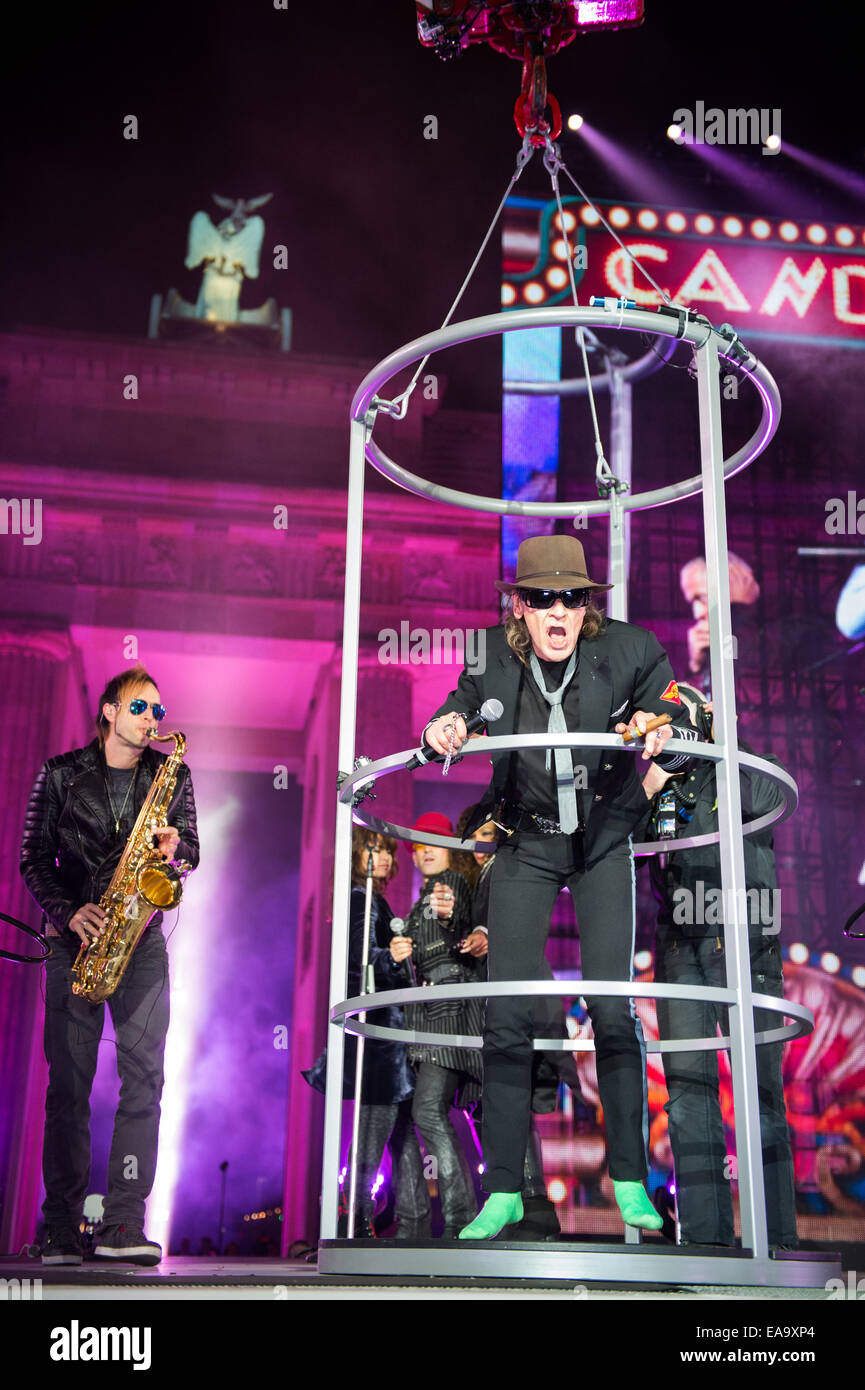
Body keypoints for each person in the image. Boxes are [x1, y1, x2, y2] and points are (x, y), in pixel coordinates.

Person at [421, 534, 696, 1239]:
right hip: (527, 838)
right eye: (540, 597)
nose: (556, 612)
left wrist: (659, 723)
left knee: (611, 1009)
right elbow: (452, 709)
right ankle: (505, 1188)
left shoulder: (630, 649)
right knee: (507, 1012)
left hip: (604, 835)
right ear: (518, 605)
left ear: (585, 607)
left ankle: (632, 1181)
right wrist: (445, 726)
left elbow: (683, 710)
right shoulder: (489, 654)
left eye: (569, 598)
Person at [20, 663, 199, 1266]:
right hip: (76, 941)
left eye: (158, 710)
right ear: (108, 712)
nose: (153, 718)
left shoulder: (172, 775)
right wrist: (69, 913)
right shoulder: (60, 774)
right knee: (68, 1088)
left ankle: (124, 1221)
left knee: (143, 1082)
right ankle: (61, 1226)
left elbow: (191, 851)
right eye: (141, 707)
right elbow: (32, 859)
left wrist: (174, 853)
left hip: (141, 941)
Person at [642, 682, 798, 1249]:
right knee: (686, 1093)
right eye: (662, 724)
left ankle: (776, 1240)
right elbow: (620, 848)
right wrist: (646, 791)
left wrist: (721, 733)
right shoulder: (663, 782)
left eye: (678, 720)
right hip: (679, 944)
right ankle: (706, 1240)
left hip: (745, 940)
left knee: (760, 1093)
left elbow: (765, 796)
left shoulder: (742, 762)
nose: (668, 732)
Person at [303, 826, 430, 1238]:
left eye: (388, 852)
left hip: (387, 1032)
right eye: (373, 850)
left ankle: (402, 1222)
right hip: (380, 1036)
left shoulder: (368, 899)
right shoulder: (362, 899)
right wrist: (391, 957)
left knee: (400, 1131)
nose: (384, 858)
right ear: (357, 857)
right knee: (377, 1131)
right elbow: (360, 957)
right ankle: (354, 1220)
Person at [398, 812, 485, 1237]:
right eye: (419, 844)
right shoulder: (420, 901)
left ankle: (459, 1218)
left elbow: (458, 914)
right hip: (427, 1016)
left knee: (428, 1110)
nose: (427, 850)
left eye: (434, 841)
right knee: (436, 1113)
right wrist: (401, 949)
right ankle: (453, 1218)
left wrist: (449, 915)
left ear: (451, 848)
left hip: (448, 1014)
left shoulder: (453, 885)